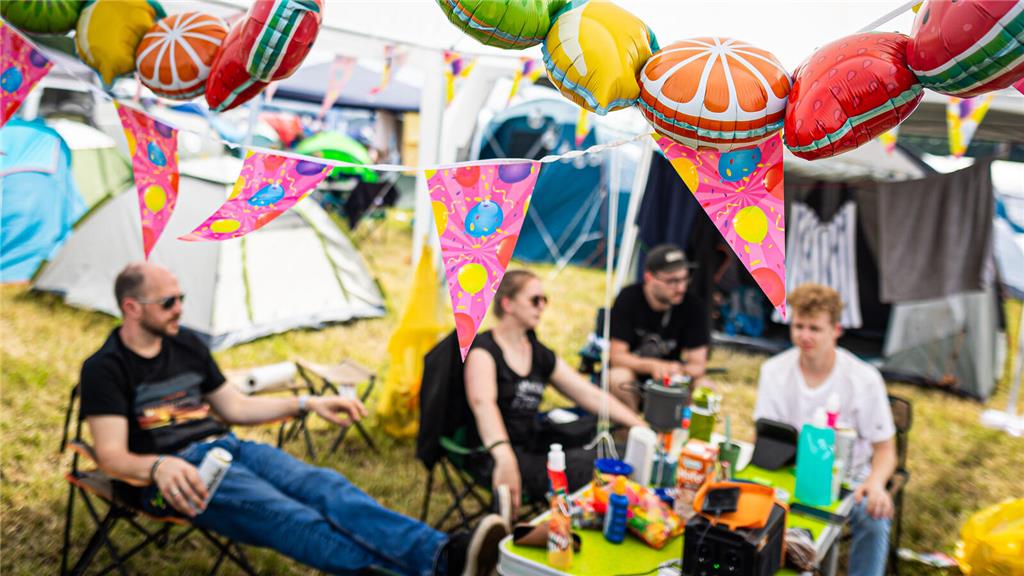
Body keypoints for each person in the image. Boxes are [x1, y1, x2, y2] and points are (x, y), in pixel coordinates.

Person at [79, 262, 507, 576]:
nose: (179, 309)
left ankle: (444, 556)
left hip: (228, 449)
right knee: (289, 516)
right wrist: (157, 465)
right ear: (132, 308)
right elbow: (111, 455)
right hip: (176, 476)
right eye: (169, 302)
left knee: (326, 488)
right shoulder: (106, 368)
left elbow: (235, 408)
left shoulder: (186, 344)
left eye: (181, 299)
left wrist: (306, 404)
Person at [464, 270, 646, 517]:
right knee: (599, 470)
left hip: (533, 445)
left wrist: (639, 426)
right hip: (494, 453)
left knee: (620, 453)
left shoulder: (537, 352)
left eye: (544, 300)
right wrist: (504, 456)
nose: (542, 306)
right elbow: (483, 404)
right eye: (534, 300)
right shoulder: (484, 351)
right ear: (507, 304)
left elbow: (588, 394)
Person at [754, 283, 896, 576]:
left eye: (815, 329)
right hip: (789, 474)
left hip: (849, 481)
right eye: (799, 326)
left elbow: (885, 449)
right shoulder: (774, 371)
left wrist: (877, 483)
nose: (805, 336)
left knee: (874, 514)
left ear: (836, 330)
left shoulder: (864, 379)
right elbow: (765, 438)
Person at [608, 244, 711, 410]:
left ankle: (683, 435)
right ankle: (627, 432)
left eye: (685, 279)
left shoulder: (693, 306)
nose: (681, 288)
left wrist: (680, 370)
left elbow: (698, 365)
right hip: (634, 376)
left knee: (705, 388)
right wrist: (652, 366)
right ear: (649, 277)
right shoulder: (628, 298)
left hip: (673, 380)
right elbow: (617, 357)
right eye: (672, 281)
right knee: (618, 378)